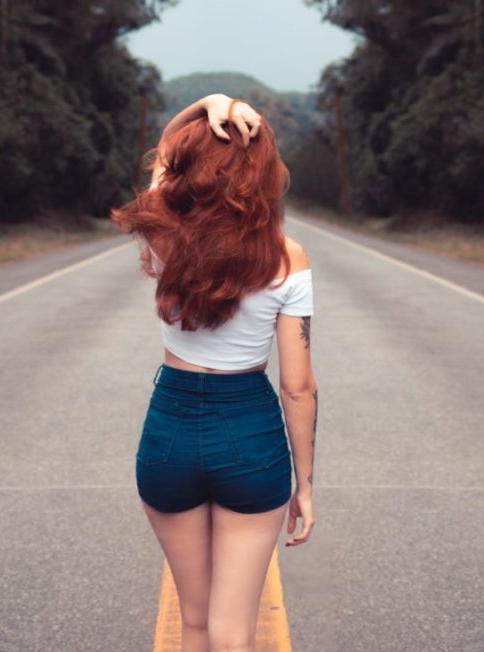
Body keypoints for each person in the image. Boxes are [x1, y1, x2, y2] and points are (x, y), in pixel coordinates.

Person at [111, 94, 318, 652]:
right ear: (263, 171)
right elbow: (298, 387)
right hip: (250, 433)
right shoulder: (286, 256)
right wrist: (304, 484)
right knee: (233, 631)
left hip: (169, 433)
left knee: (196, 622)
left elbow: (162, 159)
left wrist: (205, 107)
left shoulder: (163, 235)